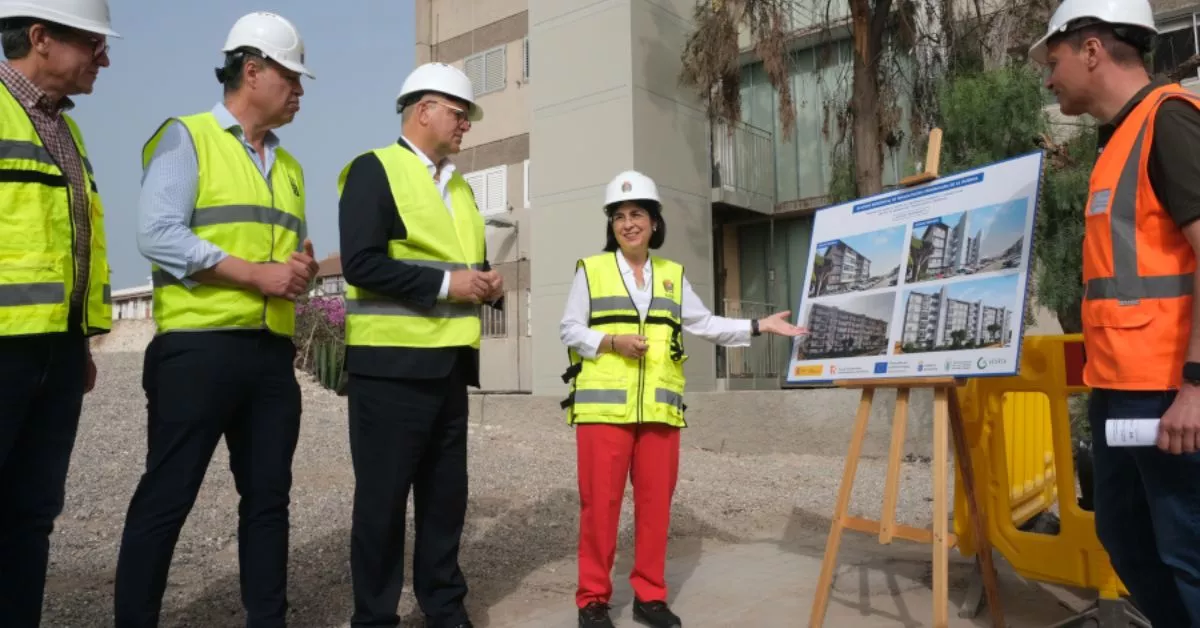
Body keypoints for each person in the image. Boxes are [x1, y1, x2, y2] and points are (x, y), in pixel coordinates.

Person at [113, 12, 317, 628]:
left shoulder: (290, 167)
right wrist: (258, 274)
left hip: (270, 354)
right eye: (291, 76)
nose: (301, 90)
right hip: (197, 351)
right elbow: (158, 234)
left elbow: (290, 252)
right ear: (251, 71)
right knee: (167, 499)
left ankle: (267, 619)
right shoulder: (186, 136)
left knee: (267, 503)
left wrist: (298, 270)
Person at [559, 171, 806, 628]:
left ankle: (649, 597)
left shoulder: (671, 276)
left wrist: (757, 327)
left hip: (659, 410)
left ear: (655, 222)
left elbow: (705, 323)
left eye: (637, 215)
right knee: (600, 507)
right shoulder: (590, 270)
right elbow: (570, 329)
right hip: (602, 412)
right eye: (619, 216)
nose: (628, 223)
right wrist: (612, 341)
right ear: (611, 224)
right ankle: (592, 600)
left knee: (655, 507)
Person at [1031, 0, 1200, 624]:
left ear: (1092, 50)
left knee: (1189, 554)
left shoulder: (1169, 121)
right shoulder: (1118, 140)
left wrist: (1196, 385)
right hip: (1119, 390)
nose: (1050, 80)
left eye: (1055, 63)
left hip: (1170, 395)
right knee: (1127, 539)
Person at [336, 61, 502, 628]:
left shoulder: (459, 187)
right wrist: (446, 284)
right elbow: (361, 264)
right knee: (382, 505)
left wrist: (485, 282)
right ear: (423, 109)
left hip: (450, 367)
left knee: (444, 501)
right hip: (391, 370)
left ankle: (444, 607)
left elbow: (463, 266)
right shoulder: (373, 171)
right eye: (460, 114)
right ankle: (376, 617)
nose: (466, 126)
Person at [0, 0, 117, 625]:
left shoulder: (64, 129)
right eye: (93, 42)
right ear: (40, 37)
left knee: (32, 514)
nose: (104, 56)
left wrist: (79, 342)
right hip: (4, 350)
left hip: (55, 353)